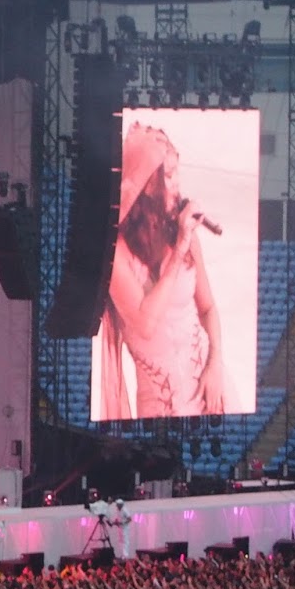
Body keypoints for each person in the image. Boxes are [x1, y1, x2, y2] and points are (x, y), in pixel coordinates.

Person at [98, 121, 231, 419]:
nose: (177, 184)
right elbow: (145, 324)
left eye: (177, 173)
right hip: (160, 410)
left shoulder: (184, 235)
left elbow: (208, 308)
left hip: (210, 392)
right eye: (169, 176)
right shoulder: (116, 252)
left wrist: (215, 363)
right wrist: (180, 246)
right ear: (147, 184)